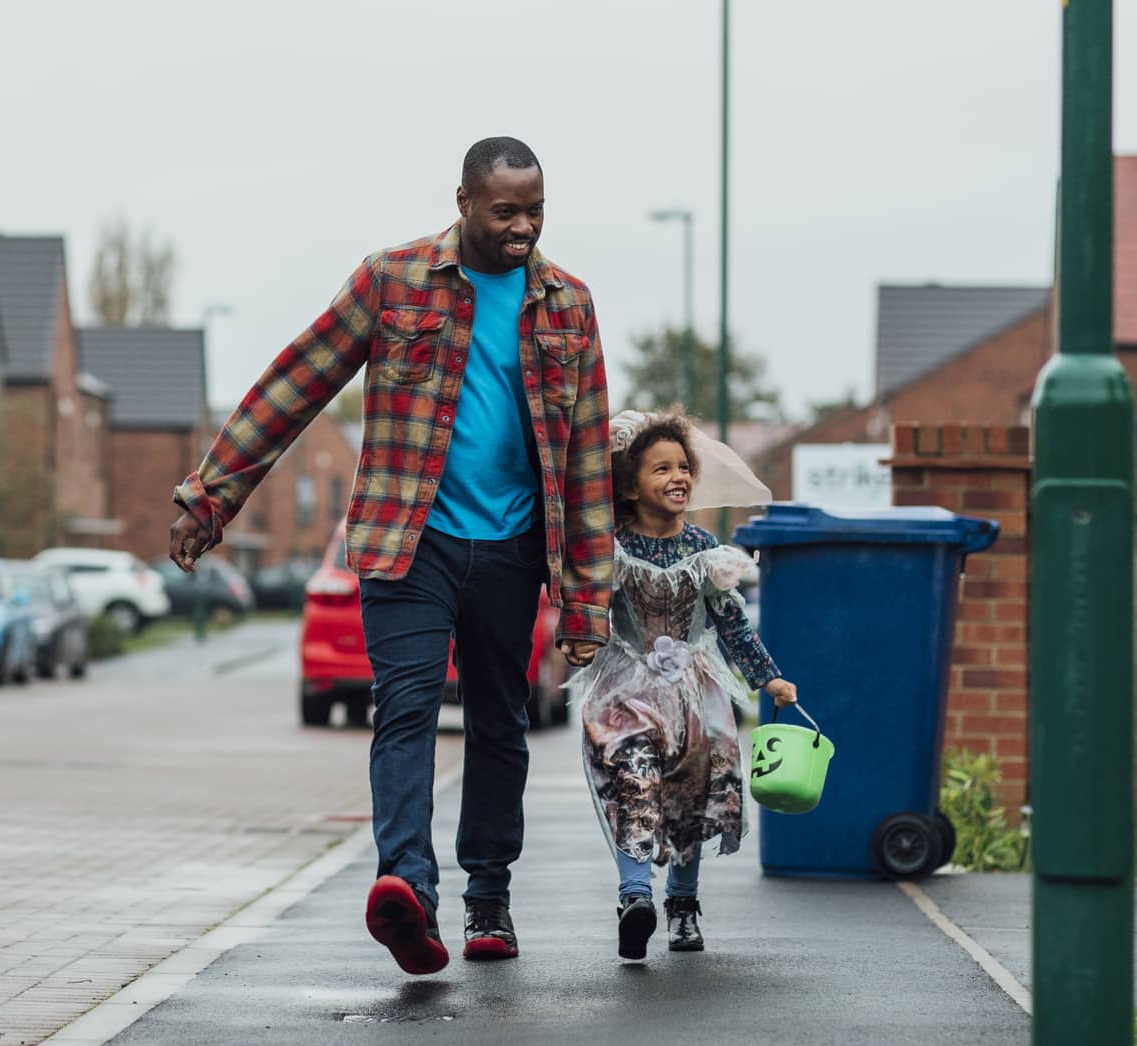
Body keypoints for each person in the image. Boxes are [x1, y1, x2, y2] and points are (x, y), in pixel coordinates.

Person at [167, 136, 614, 976]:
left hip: (515, 548)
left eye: (536, 210)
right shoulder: (393, 279)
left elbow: (587, 455)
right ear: (463, 202)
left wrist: (587, 601)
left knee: (497, 721)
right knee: (403, 708)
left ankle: (488, 898)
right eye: (505, 211)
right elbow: (297, 382)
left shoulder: (568, 305)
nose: (522, 228)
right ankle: (406, 885)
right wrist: (211, 495)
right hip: (409, 541)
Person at [571, 408, 799, 962]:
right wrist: (579, 635)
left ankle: (683, 902)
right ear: (629, 486)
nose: (677, 478)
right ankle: (634, 897)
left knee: (691, 796)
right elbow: (588, 608)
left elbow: (731, 620)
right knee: (634, 778)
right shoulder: (613, 549)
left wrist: (767, 675)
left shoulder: (705, 548)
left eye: (683, 468)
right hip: (626, 689)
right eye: (660, 469)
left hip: (696, 693)